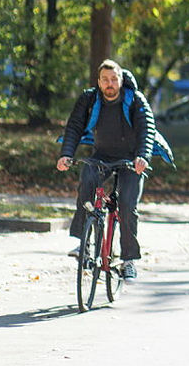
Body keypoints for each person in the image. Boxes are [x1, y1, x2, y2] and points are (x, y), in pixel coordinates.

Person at [58, 60, 158, 280]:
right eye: (105, 79)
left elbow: (147, 129)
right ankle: (83, 245)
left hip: (131, 160)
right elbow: (74, 126)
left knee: (126, 205)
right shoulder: (89, 99)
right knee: (86, 187)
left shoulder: (135, 100)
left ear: (121, 80)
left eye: (114, 79)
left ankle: (128, 260)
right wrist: (66, 154)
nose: (110, 83)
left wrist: (142, 157)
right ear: (99, 81)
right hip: (101, 156)